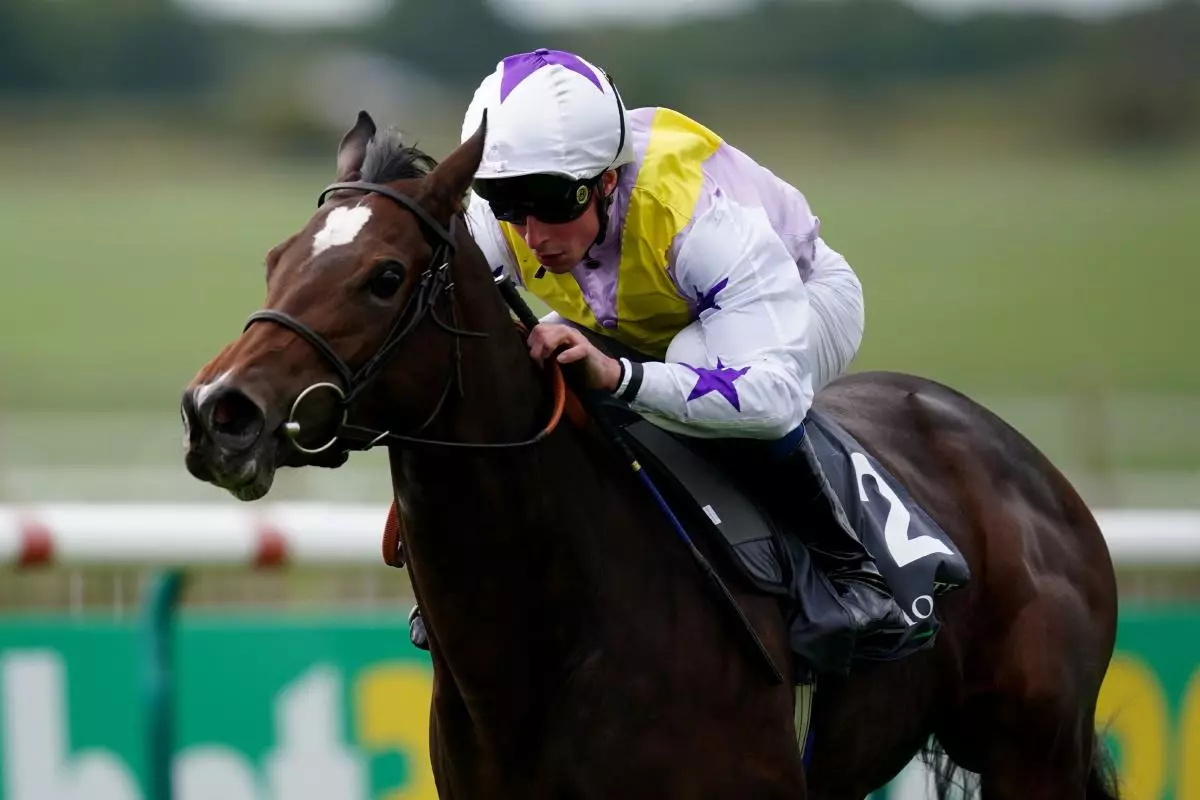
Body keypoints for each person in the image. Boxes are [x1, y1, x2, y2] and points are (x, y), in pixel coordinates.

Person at [406, 48, 907, 665]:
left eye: (554, 206)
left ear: (607, 181)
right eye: (510, 205)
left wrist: (619, 375)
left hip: (801, 299)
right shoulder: (512, 200)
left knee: (690, 360)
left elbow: (773, 399)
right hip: (638, 312)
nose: (532, 235)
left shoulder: (698, 219)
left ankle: (850, 570)